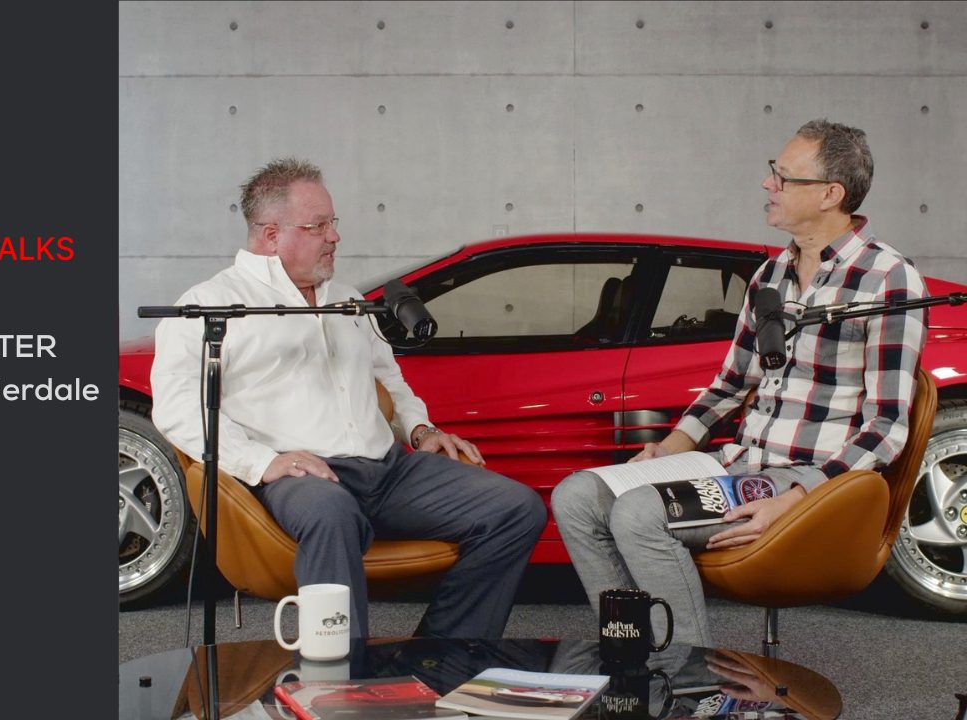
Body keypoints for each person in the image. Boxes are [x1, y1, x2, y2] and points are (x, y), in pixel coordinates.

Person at [551, 119, 929, 646]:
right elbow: (729, 385)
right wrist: (670, 448)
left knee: (639, 513)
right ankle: (634, 654)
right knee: (576, 496)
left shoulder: (887, 279)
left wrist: (800, 496)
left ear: (830, 194)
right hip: (738, 465)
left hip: (807, 480)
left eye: (784, 176)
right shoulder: (769, 277)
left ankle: (685, 674)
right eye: (773, 172)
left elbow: (887, 426)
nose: (768, 184)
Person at [151, 158, 546, 639]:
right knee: (330, 513)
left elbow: (387, 376)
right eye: (318, 226)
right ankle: (337, 672)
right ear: (271, 235)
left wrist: (420, 429)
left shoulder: (348, 300)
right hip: (300, 477)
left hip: (388, 471)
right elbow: (177, 407)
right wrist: (263, 462)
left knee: (515, 508)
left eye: (332, 223)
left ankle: (440, 654)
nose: (334, 236)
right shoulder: (211, 304)